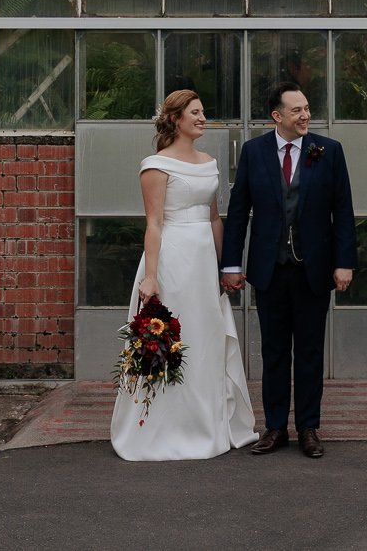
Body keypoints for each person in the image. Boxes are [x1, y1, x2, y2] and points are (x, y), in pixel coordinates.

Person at [110, 89, 259, 460]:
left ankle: (206, 425)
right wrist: (151, 276)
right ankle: (159, 429)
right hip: (172, 262)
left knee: (206, 341)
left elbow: (213, 218)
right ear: (176, 119)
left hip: (203, 263)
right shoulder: (156, 165)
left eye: (203, 112)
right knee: (172, 342)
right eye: (195, 112)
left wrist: (227, 268)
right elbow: (155, 223)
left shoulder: (209, 161)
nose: (202, 118)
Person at [221, 82, 357, 458]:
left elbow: (342, 210)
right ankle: (276, 427)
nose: (305, 115)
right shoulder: (254, 152)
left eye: (307, 108)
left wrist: (344, 262)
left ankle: (309, 428)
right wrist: (231, 264)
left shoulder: (328, 151)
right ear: (277, 116)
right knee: (274, 351)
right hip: (269, 270)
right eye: (296, 110)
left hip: (313, 269)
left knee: (310, 352)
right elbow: (238, 213)